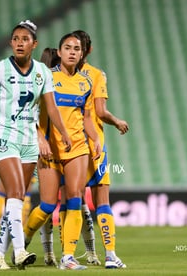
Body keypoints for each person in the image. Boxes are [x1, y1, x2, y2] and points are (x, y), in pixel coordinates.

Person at [0, 20, 71, 270]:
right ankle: (19, 252)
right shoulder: (0, 69)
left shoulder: (42, 71)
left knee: (16, 198)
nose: (20, 43)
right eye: (16, 39)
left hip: (29, 140)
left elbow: (51, 108)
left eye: (25, 39)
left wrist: (63, 133)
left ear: (34, 44)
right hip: (5, 138)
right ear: (11, 42)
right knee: (16, 193)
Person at [24, 33, 101, 270]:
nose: (72, 52)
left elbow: (87, 117)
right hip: (49, 148)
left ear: (81, 54)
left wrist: (95, 137)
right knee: (47, 205)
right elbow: (28, 109)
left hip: (77, 147)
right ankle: (23, 240)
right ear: (59, 52)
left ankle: (68, 257)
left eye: (76, 49)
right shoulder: (46, 77)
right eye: (67, 47)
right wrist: (38, 136)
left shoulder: (85, 82)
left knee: (75, 196)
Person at [73, 29, 129, 269]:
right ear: (91, 49)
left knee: (71, 201)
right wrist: (117, 121)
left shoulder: (59, 74)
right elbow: (100, 112)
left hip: (70, 145)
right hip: (94, 145)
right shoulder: (96, 75)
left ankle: (64, 256)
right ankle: (110, 255)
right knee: (102, 199)